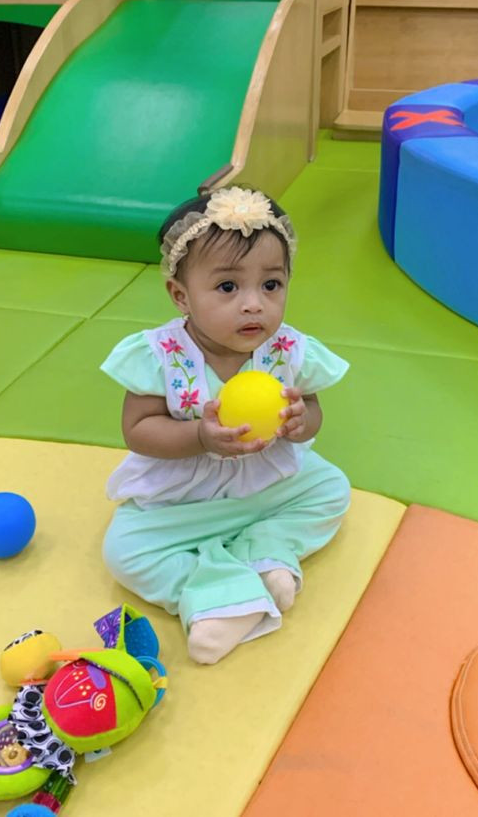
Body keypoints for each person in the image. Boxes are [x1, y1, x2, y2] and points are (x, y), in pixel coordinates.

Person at [101, 186, 350, 664]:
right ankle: (221, 595)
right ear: (181, 296)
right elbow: (138, 429)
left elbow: (312, 408)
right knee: (123, 551)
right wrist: (199, 436)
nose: (254, 304)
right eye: (228, 287)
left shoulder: (288, 349)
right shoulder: (161, 355)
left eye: (271, 285)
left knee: (332, 489)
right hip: (185, 499)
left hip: (266, 484)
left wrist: (300, 421)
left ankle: (267, 551)